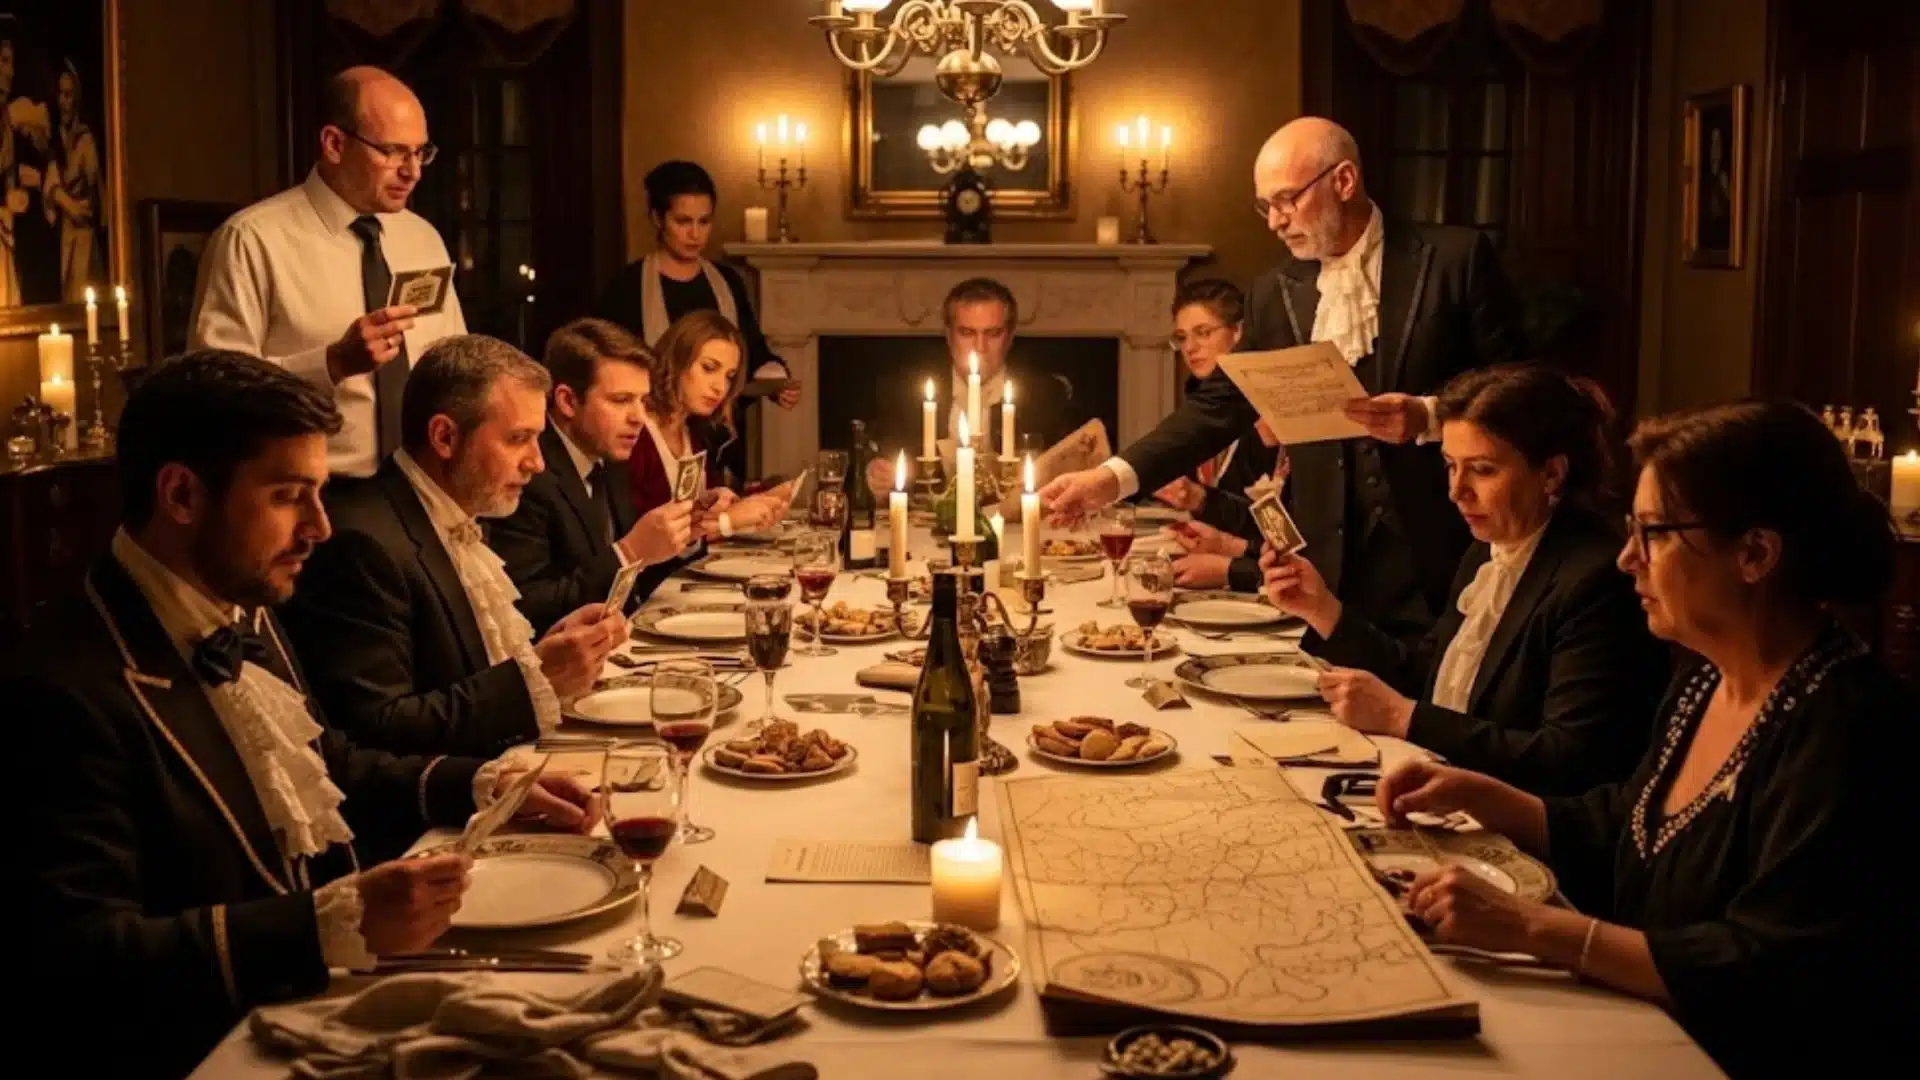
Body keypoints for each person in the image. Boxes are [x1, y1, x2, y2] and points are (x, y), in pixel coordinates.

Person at [9, 352, 597, 1080]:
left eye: (319, 493)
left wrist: (484, 785)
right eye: (290, 495)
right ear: (182, 494)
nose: (320, 527)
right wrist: (321, 928)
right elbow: (77, 953)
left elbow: (329, 764)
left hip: (317, 1006)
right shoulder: (62, 686)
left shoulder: (237, 601)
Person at [1378, 401, 1910, 1076]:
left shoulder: (1846, 725)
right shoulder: (1705, 680)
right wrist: (1487, 797)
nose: (1627, 558)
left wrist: (1528, 927)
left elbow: (1767, 964)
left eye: (1653, 533)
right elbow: (1634, 830)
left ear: (1755, 553)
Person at [1042, 116, 1524, 647]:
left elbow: (1519, 388)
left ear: (1343, 181)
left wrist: (1429, 416)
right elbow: (1219, 406)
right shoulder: (1275, 291)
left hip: (1439, 554)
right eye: (1265, 205)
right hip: (1326, 571)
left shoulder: (1455, 260)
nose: (1274, 221)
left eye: (1287, 200)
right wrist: (1109, 479)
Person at [1262, 365, 1664, 794]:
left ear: (1551, 473)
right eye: (1451, 466)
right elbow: (1426, 677)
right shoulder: (1485, 552)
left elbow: (1567, 759)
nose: (1457, 491)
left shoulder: (1594, 578)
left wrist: (1403, 717)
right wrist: (1322, 609)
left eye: (1483, 470)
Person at [282, 335, 627, 758]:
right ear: (444, 437)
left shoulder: (458, 511)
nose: (538, 462)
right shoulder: (363, 544)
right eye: (519, 438)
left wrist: (547, 652)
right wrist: (533, 679)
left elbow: (463, 671)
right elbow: (375, 728)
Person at [191, 66, 465, 479]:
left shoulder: (422, 238)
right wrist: (333, 363)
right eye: (393, 152)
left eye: (420, 152)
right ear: (334, 144)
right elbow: (212, 396)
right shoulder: (250, 240)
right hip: (313, 494)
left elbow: (455, 365)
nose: (413, 172)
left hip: (423, 488)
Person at [594, 160, 800, 487]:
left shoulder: (727, 282)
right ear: (657, 219)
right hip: (652, 443)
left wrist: (775, 380)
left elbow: (753, 351)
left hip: (719, 441)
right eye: (683, 221)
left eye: (704, 222)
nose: (695, 234)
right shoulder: (627, 287)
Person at [490, 318, 691, 633]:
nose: (639, 417)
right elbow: (526, 608)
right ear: (568, 401)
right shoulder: (528, 471)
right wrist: (630, 552)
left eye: (643, 401)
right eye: (621, 400)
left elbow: (638, 585)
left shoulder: (609, 454)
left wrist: (685, 529)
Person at [863, 277, 1081, 495]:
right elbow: (883, 455)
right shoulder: (907, 391)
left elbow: (1069, 469)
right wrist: (879, 474)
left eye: (993, 334)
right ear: (949, 336)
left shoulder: (1046, 394)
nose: (980, 347)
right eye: (967, 333)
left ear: (1010, 336)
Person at [628, 310, 795, 546]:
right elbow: (640, 540)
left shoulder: (694, 433)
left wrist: (755, 503)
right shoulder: (635, 433)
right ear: (677, 360)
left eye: (729, 376)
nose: (720, 387)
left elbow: (696, 521)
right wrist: (728, 521)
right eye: (708, 368)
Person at [46, 62, 104, 301]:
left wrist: (70, 202)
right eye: (60, 94)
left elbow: (91, 196)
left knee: (81, 292)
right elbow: (50, 182)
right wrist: (60, 198)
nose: (63, 102)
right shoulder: (55, 136)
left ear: (76, 98)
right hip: (66, 231)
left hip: (82, 235)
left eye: (68, 95)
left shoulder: (85, 139)